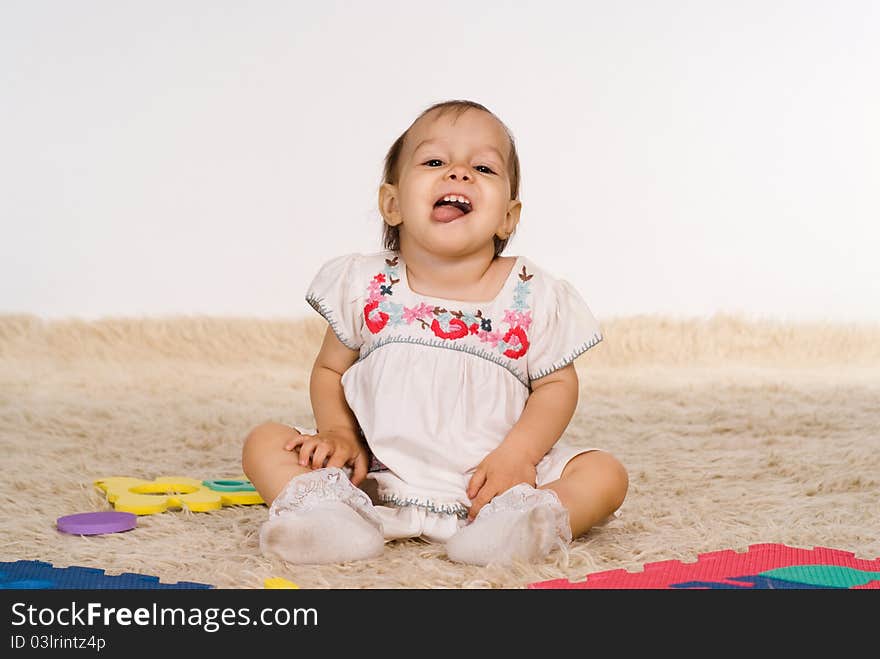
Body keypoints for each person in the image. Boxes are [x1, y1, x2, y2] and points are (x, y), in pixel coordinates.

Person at [242, 99, 628, 566]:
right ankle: (327, 515)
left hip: (494, 480)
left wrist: (518, 456)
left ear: (508, 215)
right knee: (266, 440)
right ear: (392, 203)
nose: (459, 173)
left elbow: (557, 385)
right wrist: (338, 433)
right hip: (378, 471)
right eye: (435, 161)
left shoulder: (533, 294)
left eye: (483, 167)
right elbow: (329, 368)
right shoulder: (365, 284)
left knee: (605, 474)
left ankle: (520, 525)